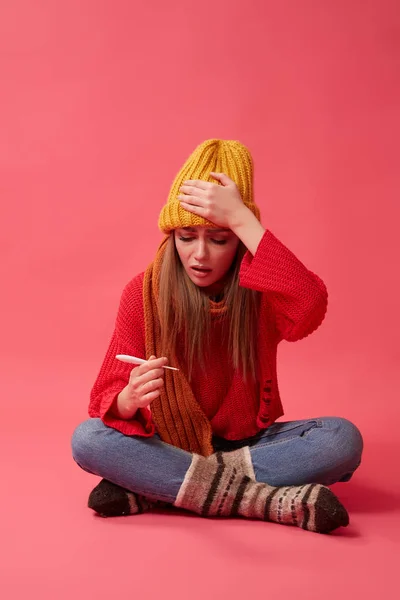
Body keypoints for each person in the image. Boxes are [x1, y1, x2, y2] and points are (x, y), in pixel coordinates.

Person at [71, 139, 363, 534]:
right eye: (186, 237)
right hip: (170, 441)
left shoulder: (262, 291)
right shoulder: (142, 293)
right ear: (171, 235)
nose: (200, 255)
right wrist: (128, 399)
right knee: (88, 439)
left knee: (340, 440)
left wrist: (244, 219)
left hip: (248, 446)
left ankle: (160, 486)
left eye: (220, 239)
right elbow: (105, 400)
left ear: (239, 239)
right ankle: (264, 501)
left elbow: (309, 305)